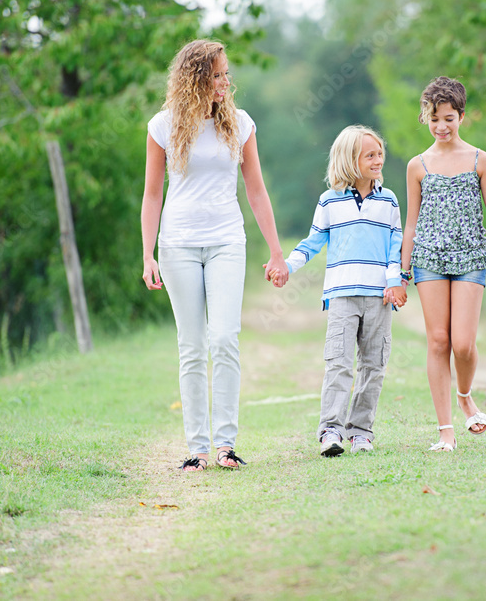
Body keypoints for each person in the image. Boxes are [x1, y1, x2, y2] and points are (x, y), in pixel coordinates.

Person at [141, 39, 290, 472]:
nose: (226, 82)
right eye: (218, 74)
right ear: (196, 78)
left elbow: (256, 191)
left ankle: (226, 444)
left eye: (227, 74)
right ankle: (197, 450)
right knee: (191, 346)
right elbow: (152, 195)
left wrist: (277, 251)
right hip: (178, 245)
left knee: (224, 338)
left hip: (227, 240)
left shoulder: (240, 124)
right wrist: (147, 252)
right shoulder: (163, 126)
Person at [402, 76, 486, 452]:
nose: (441, 126)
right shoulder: (417, 165)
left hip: (471, 257)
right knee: (438, 340)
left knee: (463, 345)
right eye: (434, 118)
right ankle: (445, 431)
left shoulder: (478, 159)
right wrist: (401, 271)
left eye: (449, 118)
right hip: (429, 260)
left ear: (461, 117)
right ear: (425, 117)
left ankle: (465, 395)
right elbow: (411, 223)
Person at [274, 125, 407, 457]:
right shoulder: (329, 201)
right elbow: (313, 242)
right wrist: (287, 266)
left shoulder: (388, 201)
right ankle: (330, 430)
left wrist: (394, 280)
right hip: (342, 295)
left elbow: (396, 245)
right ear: (350, 160)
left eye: (380, 154)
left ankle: (361, 431)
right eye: (371, 155)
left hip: (378, 297)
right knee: (339, 363)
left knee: (373, 365)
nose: (378, 160)